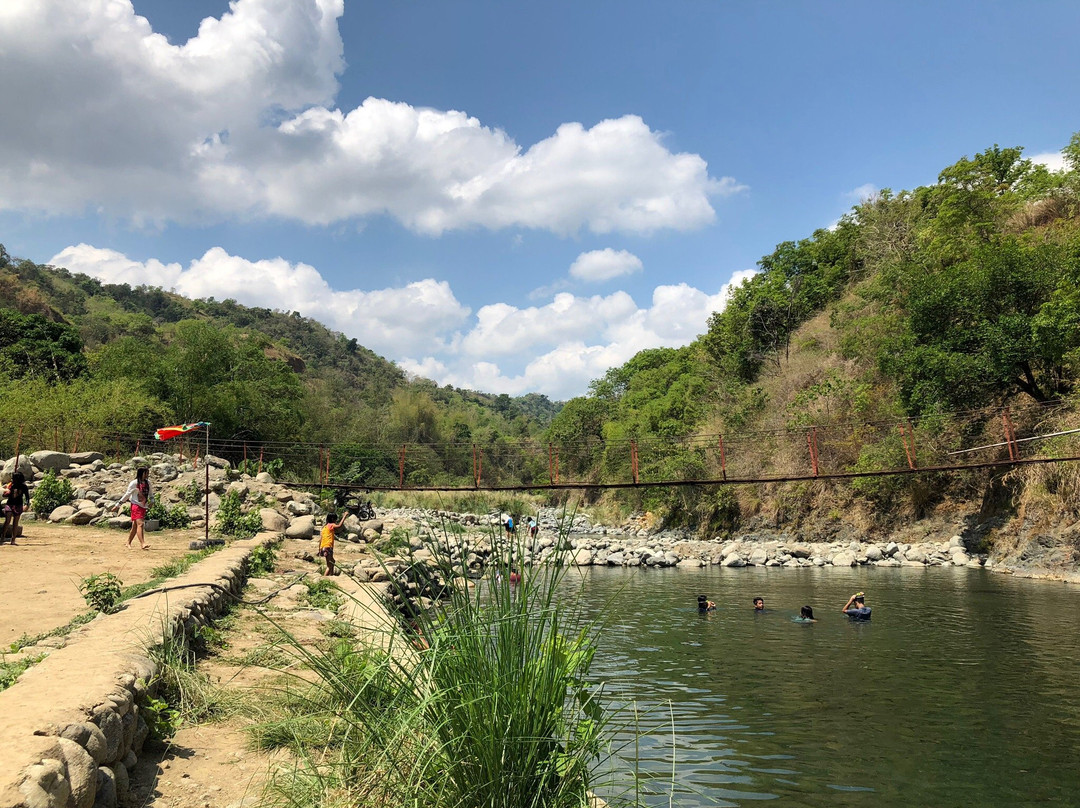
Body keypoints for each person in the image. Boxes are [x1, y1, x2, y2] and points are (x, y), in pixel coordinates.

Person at [116, 467, 152, 550]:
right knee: (141, 524)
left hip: (143, 506)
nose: (147, 475)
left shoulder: (148, 483)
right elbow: (127, 495)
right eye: (146, 473)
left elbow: (151, 493)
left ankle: (128, 542)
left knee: (135, 526)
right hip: (135, 506)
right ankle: (143, 543)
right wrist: (118, 504)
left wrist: (152, 501)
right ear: (141, 473)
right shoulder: (134, 483)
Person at [2, 471, 30, 545]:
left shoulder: (23, 487)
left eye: (14, 478)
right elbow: (4, 495)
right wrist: (7, 492)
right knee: (7, 520)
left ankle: (13, 540)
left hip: (18, 505)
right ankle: (2, 537)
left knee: (15, 522)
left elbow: (27, 496)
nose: (12, 479)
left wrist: (27, 504)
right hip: (10, 504)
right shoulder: (11, 485)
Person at [319, 512, 345, 576]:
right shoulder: (331, 525)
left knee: (332, 561)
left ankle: (331, 575)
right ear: (333, 519)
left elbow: (320, 539)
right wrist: (344, 516)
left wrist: (319, 549)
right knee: (329, 566)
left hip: (323, 547)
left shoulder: (324, 527)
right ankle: (323, 578)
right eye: (335, 519)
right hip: (328, 546)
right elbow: (339, 526)